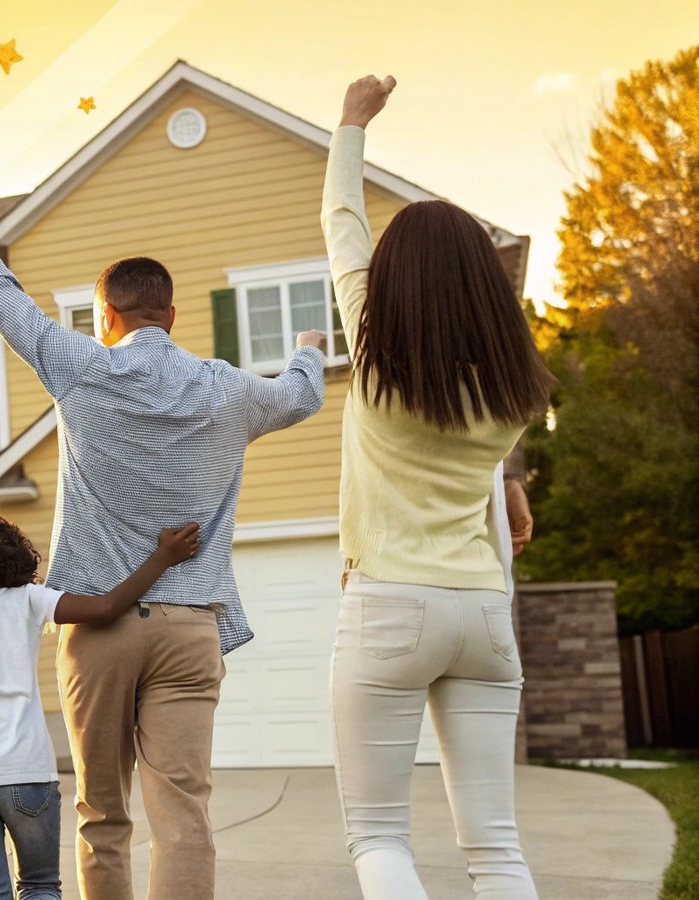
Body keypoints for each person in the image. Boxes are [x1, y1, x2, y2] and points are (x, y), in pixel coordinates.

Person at [0, 133, 327, 900]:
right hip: (193, 626)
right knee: (185, 810)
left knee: (102, 812)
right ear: (171, 311)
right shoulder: (230, 390)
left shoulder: (81, 366)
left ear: (107, 315)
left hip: (99, 631)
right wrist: (305, 348)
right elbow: (301, 397)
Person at [322, 75, 557, 900]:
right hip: (484, 613)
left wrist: (352, 123)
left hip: (389, 604)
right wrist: (513, 484)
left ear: (395, 280)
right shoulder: (514, 395)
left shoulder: (376, 358)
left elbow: (341, 224)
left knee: (380, 836)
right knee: (496, 847)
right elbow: (480, 446)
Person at [0, 510, 201, 900]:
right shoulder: (26, 600)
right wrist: (162, 557)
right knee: (39, 886)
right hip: (25, 767)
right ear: (8, 554)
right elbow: (105, 609)